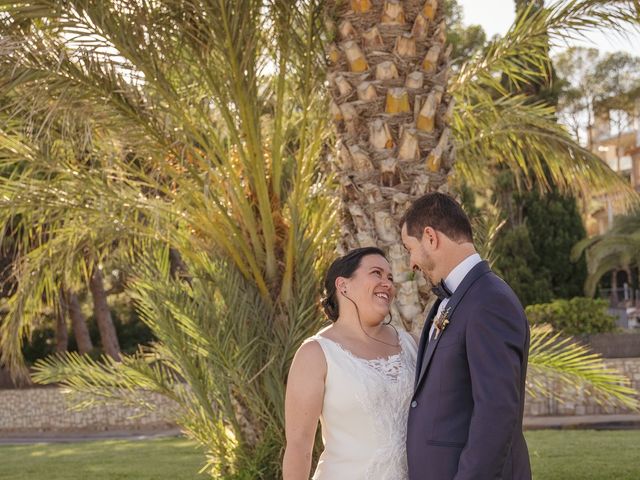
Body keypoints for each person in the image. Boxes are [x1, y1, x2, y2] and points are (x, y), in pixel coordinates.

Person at [400, 192, 532, 480]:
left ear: (430, 237)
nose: (411, 263)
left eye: (409, 248)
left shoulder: (490, 301)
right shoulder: (453, 299)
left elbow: (496, 412)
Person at [282, 247, 418, 480]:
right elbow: (299, 447)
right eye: (376, 273)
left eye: (390, 278)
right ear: (343, 286)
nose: (387, 283)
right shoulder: (316, 353)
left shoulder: (412, 344)